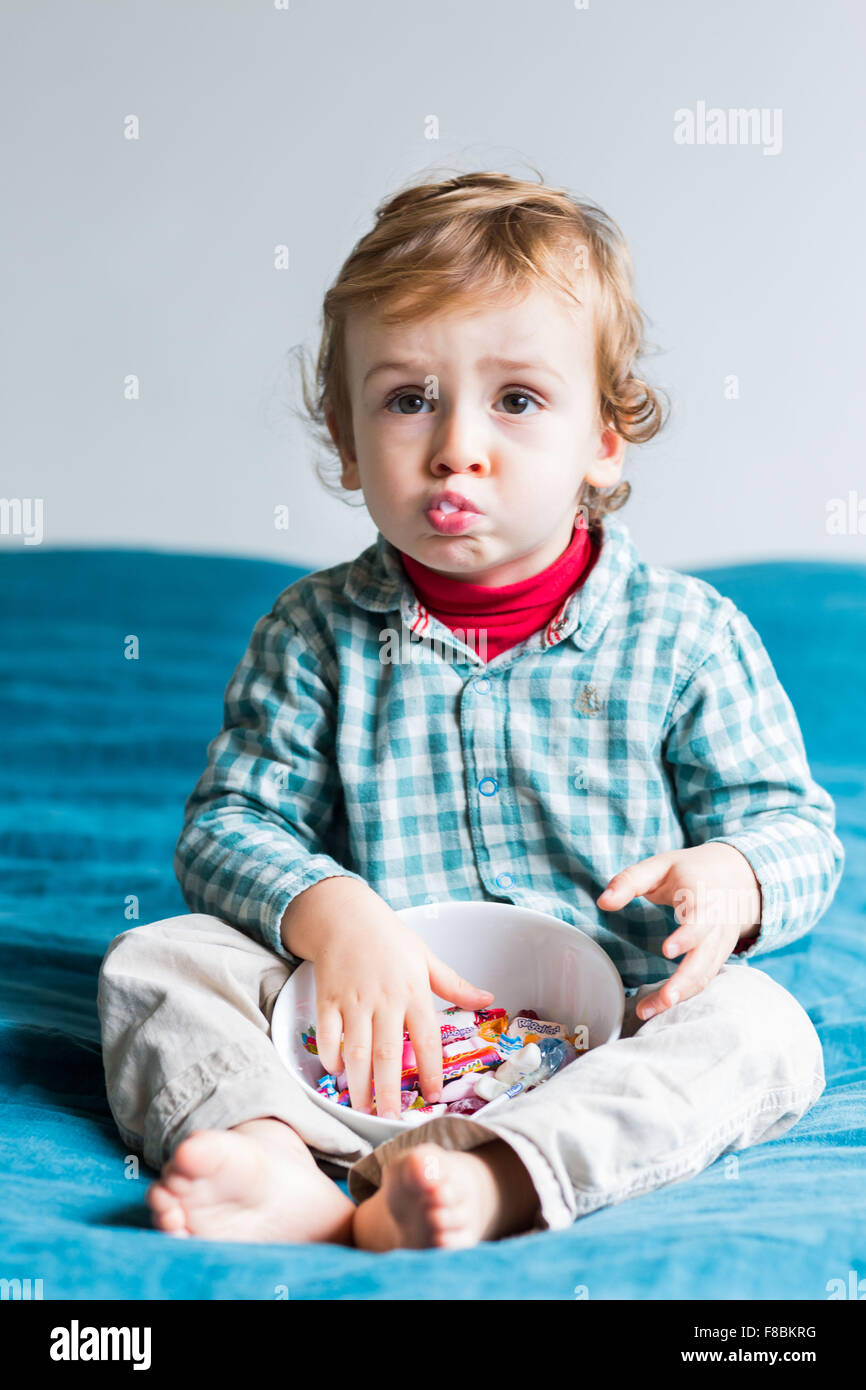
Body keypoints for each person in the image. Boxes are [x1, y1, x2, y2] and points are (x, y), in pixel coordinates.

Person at [97, 170, 843, 1250]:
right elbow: (226, 827)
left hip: (602, 1047)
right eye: (407, 399)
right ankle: (271, 1152)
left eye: (517, 400)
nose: (455, 446)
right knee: (157, 960)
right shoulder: (313, 634)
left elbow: (795, 828)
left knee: (763, 1029)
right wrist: (332, 910)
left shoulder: (687, 638)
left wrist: (733, 874)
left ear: (602, 438)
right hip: (358, 1045)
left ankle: (496, 1181)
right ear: (348, 444)